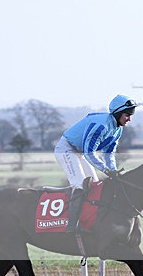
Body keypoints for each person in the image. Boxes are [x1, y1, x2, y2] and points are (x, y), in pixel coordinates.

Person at [54, 94, 136, 231]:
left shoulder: (118, 129)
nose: (129, 119)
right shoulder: (101, 125)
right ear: (118, 113)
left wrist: (113, 170)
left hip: (79, 152)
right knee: (80, 184)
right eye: (127, 115)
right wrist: (106, 170)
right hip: (66, 149)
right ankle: (72, 225)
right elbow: (89, 152)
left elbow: (108, 153)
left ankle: (91, 220)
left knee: (95, 185)